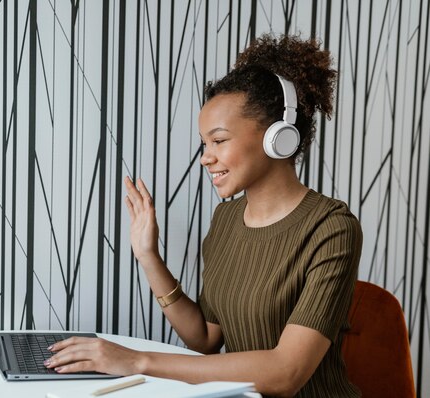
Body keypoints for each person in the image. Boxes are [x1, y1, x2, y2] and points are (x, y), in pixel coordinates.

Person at [44, 34, 362, 397]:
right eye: (204, 143)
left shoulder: (332, 228)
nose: (205, 158)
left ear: (279, 137)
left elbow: (285, 373)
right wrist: (149, 257)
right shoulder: (225, 220)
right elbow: (206, 338)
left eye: (219, 140)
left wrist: (137, 361)